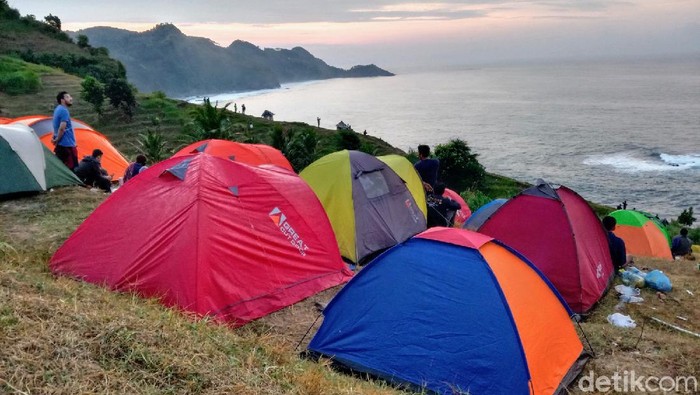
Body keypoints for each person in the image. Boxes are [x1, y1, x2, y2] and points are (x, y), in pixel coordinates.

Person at [51, 91, 78, 170]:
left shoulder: (57, 109)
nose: (71, 98)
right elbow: (62, 128)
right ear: (62, 100)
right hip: (67, 146)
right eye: (67, 97)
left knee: (61, 169)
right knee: (73, 169)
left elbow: (56, 126)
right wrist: (57, 140)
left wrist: (55, 138)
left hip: (60, 146)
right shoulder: (64, 111)